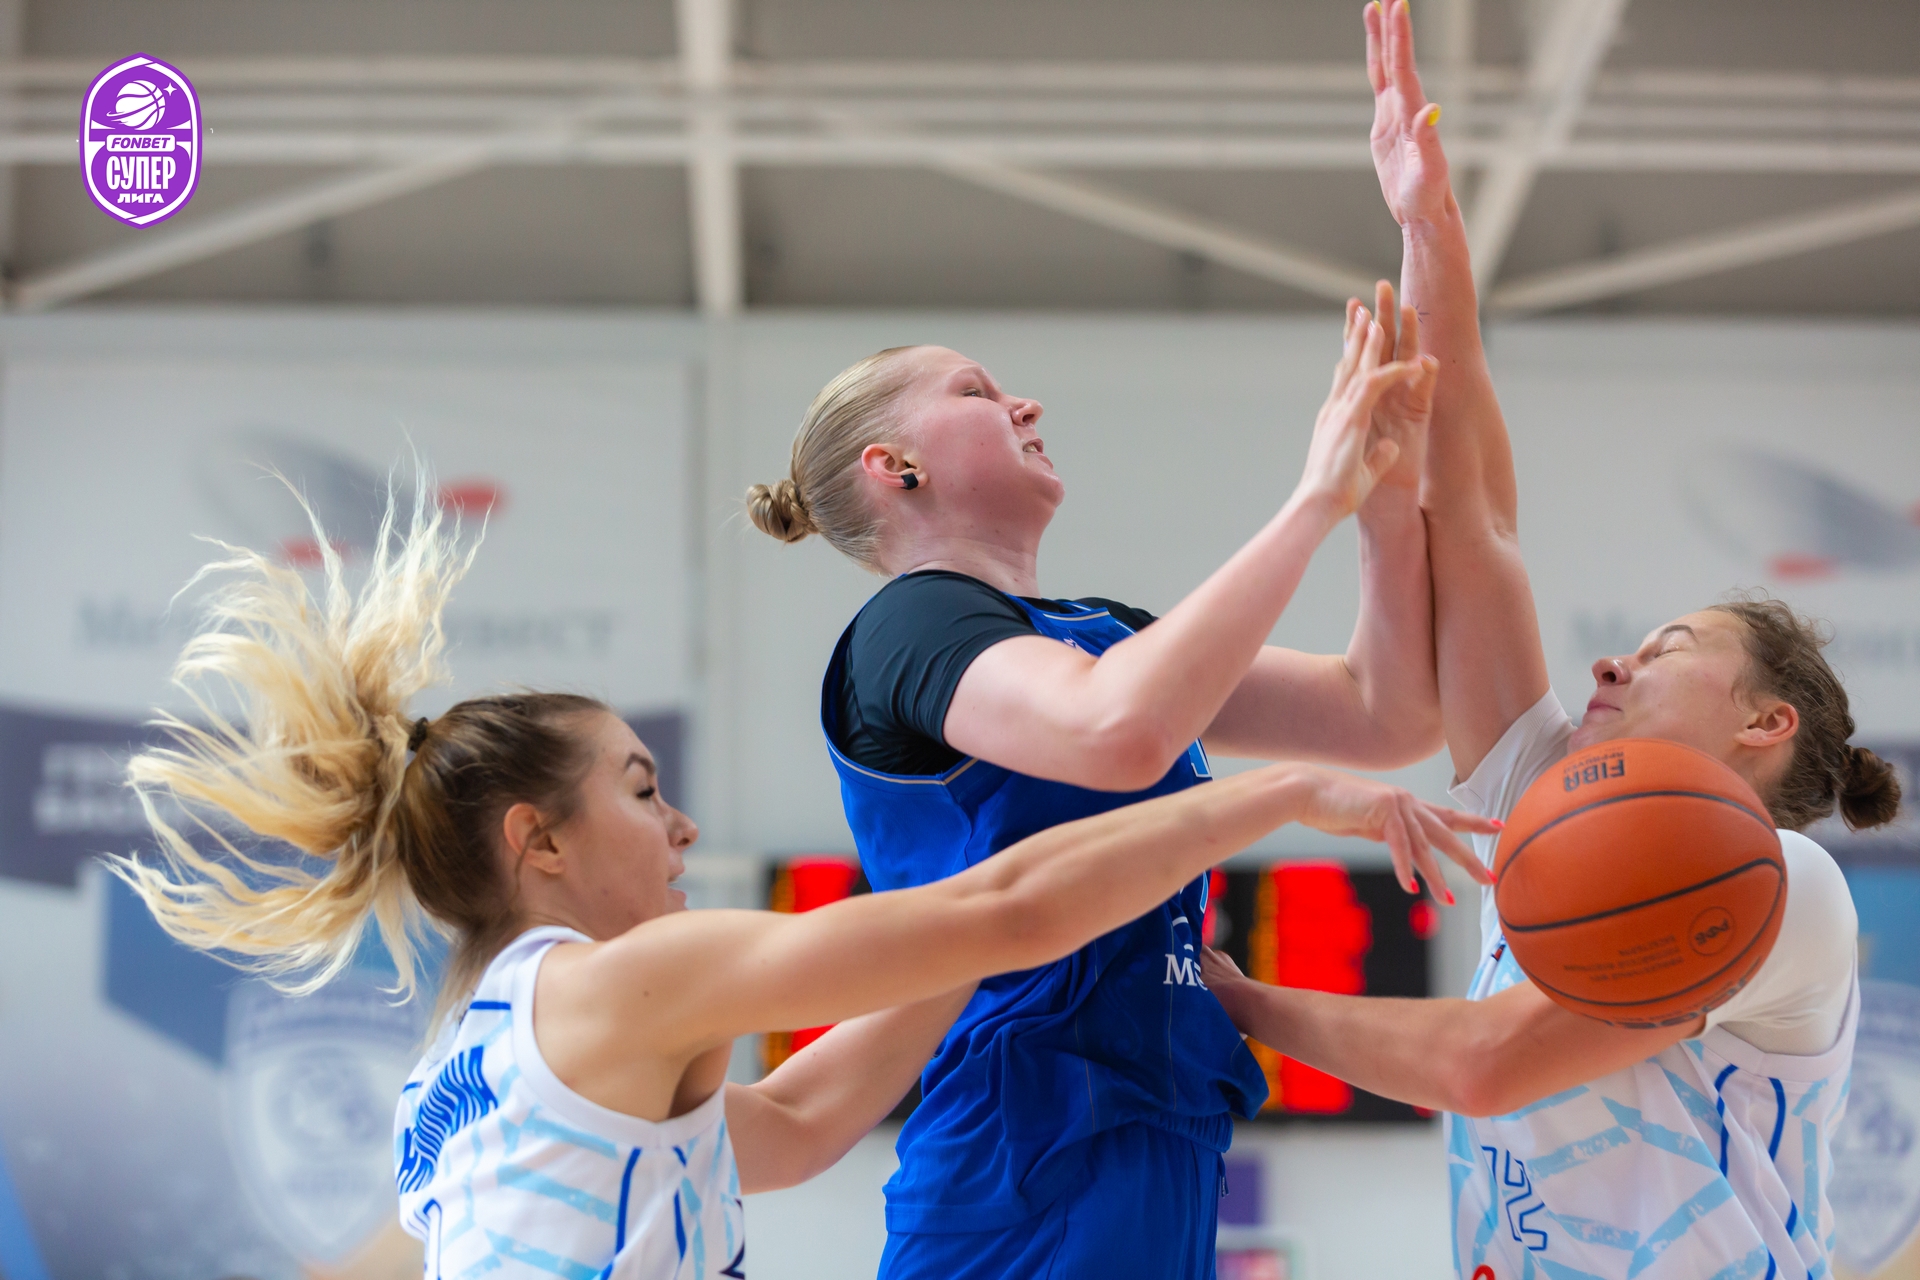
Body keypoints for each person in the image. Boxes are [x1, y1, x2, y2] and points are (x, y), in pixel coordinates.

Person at [111, 487, 1497, 1279]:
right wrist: (1276, 795)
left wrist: (970, 932)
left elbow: (801, 1118)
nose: (680, 824)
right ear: (539, 841)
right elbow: (1003, 913)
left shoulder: (459, 1074)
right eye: (640, 791)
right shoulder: (619, 985)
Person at [1198, 7, 1906, 1279]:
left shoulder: (1780, 881)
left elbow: (1486, 1062)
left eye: (1669, 647)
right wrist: (1429, 228)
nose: (1612, 663)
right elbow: (1471, 513)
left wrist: (1236, 997)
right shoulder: (1551, 798)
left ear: (1766, 720)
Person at [748, 291, 1488, 1277]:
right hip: (1028, 1146)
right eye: (976, 391)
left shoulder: (1102, 633)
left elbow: (1381, 713)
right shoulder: (909, 623)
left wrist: (1382, 497)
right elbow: (1116, 729)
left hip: (1164, 1123)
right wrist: (1314, 498)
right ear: (895, 467)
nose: (1025, 405)